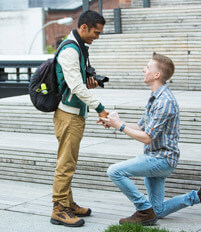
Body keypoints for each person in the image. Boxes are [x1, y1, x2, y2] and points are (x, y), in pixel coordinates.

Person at [100, 52, 201, 226]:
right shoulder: (155, 97)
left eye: (147, 67)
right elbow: (141, 127)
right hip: (155, 157)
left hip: (161, 160)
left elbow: (147, 138)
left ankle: (143, 209)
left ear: (156, 74)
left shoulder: (165, 102)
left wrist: (120, 126)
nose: (143, 69)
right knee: (158, 210)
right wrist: (115, 122)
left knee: (114, 171)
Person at [50, 10, 108, 227]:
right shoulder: (70, 50)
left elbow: (76, 82)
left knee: (69, 162)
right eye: (96, 32)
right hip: (68, 115)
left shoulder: (79, 46)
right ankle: (59, 209)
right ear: (83, 27)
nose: (97, 37)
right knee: (65, 164)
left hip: (73, 113)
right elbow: (74, 86)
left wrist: (88, 81)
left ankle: (68, 203)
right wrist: (100, 108)